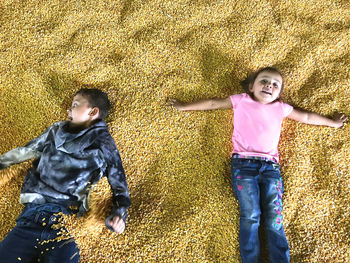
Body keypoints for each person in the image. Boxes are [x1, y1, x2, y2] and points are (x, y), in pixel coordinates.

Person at [169, 67, 347, 263]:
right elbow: (213, 103)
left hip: (271, 167)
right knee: (251, 215)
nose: (269, 85)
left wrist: (333, 123)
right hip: (242, 164)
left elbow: (306, 117)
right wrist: (184, 106)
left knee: (274, 219)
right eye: (264, 81)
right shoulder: (241, 100)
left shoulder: (281, 108)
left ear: (279, 93)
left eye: (275, 84)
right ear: (252, 86)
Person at [0, 88, 131, 263]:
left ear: (93, 112)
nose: (69, 111)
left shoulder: (104, 143)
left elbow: (118, 182)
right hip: (30, 217)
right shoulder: (56, 130)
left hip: (66, 226)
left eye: (75, 105)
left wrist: (119, 214)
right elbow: (27, 150)